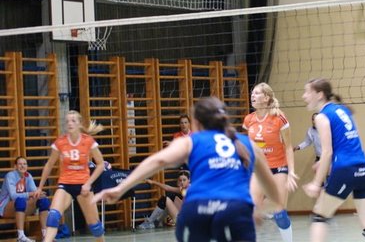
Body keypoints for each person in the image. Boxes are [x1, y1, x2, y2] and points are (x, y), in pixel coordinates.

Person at [93, 97, 282, 242]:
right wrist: (258, 208)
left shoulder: (191, 141)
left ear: (196, 123)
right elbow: (274, 191)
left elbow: (158, 160)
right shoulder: (248, 145)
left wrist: (121, 188)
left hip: (199, 209)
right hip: (237, 210)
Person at [302, 78, 365, 242]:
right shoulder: (344, 110)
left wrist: (316, 184)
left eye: (307, 92)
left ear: (319, 94)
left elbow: (327, 152)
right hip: (363, 169)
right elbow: (349, 142)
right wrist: (325, 163)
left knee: (319, 217)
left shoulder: (322, 117)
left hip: (345, 169)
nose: (304, 96)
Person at [34, 110, 106, 242]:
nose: (70, 123)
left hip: (83, 186)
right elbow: (49, 165)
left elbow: (101, 164)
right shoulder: (61, 142)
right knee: (53, 216)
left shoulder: (88, 141)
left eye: (73, 120)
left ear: (79, 123)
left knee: (95, 226)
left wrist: (88, 183)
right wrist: (40, 187)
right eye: (67, 121)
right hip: (65, 185)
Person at [243, 82, 297, 242]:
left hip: (278, 167)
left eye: (257, 93)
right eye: (252, 93)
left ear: (266, 97)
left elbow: (288, 147)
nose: (252, 96)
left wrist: (291, 172)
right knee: (251, 210)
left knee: (279, 213)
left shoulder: (279, 118)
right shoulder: (249, 120)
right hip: (259, 169)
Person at [0, 157, 51, 242]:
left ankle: (45, 235)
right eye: (20, 164)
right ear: (15, 166)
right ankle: (21, 236)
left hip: (21, 206)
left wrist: (38, 194)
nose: (22, 166)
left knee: (43, 201)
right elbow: (13, 196)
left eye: (24, 164)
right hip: (5, 207)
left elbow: (34, 191)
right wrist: (30, 194)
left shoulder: (28, 176)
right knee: (20, 201)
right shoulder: (10, 176)